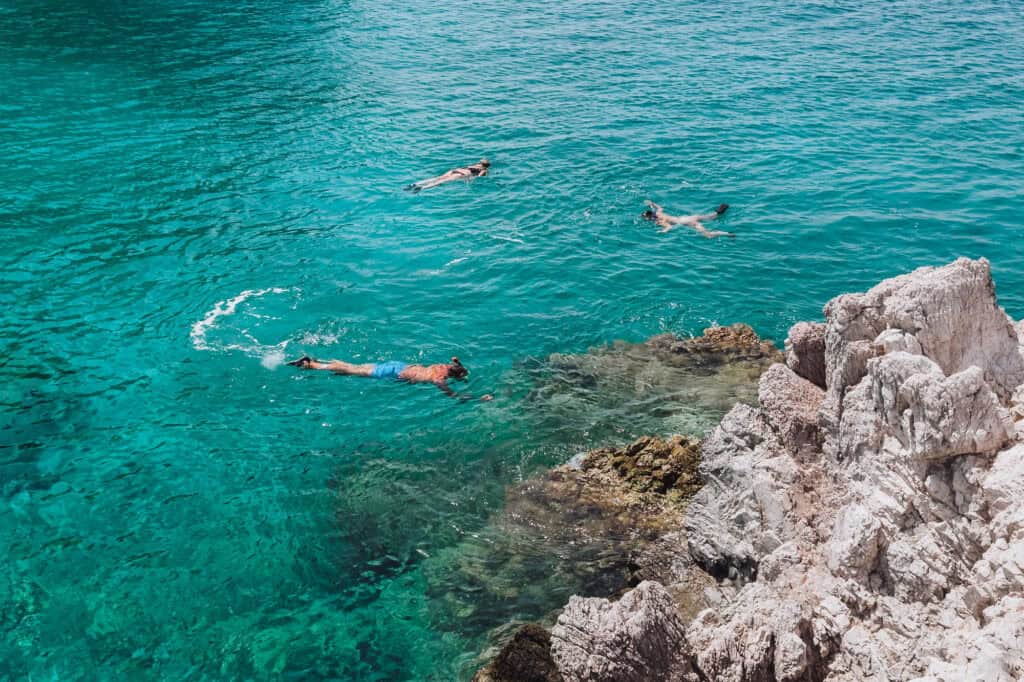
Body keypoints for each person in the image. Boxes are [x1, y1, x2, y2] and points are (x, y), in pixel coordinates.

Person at [286, 354, 493, 401]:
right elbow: (454, 396)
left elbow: (457, 363)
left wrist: (459, 367)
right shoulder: (438, 380)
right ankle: (310, 365)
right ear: (452, 376)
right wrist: (478, 398)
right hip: (396, 373)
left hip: (398, 365)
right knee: (353, 372)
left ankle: (318, 362)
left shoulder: (443, 366)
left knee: (355, 367)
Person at [642, 200, 733, 238]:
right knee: (713, 216)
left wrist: (663, 231)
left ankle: (727, 234)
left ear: (650, 217)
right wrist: (652, 203)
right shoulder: (659, 213)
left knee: (708, 235)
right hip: (690, 217)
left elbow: (669, 227)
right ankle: (720, 210)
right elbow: (660, 207)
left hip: (690, 222)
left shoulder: (659, 221)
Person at [407, 159, 490, 192]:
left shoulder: (474, 165)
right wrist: (470, 180)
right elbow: (479, 177)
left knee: (437, 178)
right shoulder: (484, 170)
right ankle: (422, 188)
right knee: (440, 182)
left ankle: (415, 184)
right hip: (461, 174)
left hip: (455, 170)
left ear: (480, 163)